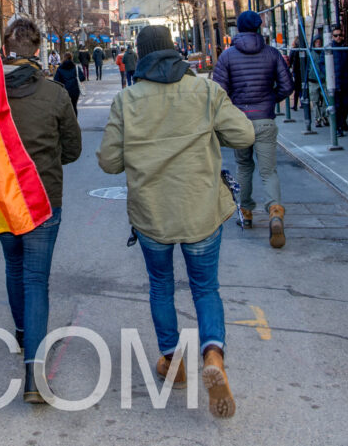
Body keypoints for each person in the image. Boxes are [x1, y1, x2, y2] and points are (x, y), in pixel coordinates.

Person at [98, 25, 254, 419]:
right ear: (174, 52)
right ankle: (213, 355)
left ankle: (173, 361)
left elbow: (110, 162)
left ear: (140, 56)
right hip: (201, 209)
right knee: (205, 287)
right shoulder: (204, 90)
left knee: (161, 287)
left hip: (152, 215)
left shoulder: (127, 100)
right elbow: (245, 134)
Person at [0, 18, 82, 404]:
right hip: (42, 199)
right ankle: (34, 375)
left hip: (0, 199)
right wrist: (47, 160)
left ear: (6, 49)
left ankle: (22, 333)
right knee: (36, 280)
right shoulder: (55, 94)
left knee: (14, 268)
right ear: (36, 51)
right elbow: (73, 149)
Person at [212, 10, 294, 247]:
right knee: (269, 171)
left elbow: (219, 92)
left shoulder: (228, 57)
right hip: (265, 120)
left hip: (240, 121)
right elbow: (287, 86)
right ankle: (275, 211)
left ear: (238, 28)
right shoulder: (272, 53)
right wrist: (269, 100)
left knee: (244, 166)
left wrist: (233, 111)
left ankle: (246, 212)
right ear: (259, 28)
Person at [331, 27, 348, 136]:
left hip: (347, 82)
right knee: (337, 106)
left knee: (347, 104)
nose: (338, 37)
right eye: (336, 35)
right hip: (335, 82)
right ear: (332, 37)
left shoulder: (347, 49)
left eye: (340, 35)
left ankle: (342, 122)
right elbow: (323, 64)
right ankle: (339, 127)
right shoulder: (330, 49)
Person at [307, 36, 327, 127]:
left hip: (323, 80)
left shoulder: (325, 52)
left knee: (326, 100)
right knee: (315, 101)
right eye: (316, 42)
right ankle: (317, 118)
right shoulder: (310, 53)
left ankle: (324, 116)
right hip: (313, 80)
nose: (318, 43)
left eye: (320, 41)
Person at [288, 37, 305, 110]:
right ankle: (302, 103)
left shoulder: (294, 50)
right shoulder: (304, 49)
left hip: (296, 71)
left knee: (297, 89)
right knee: (302, 88)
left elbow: (290, 60)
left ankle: (295, 105)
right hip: (303, 71)